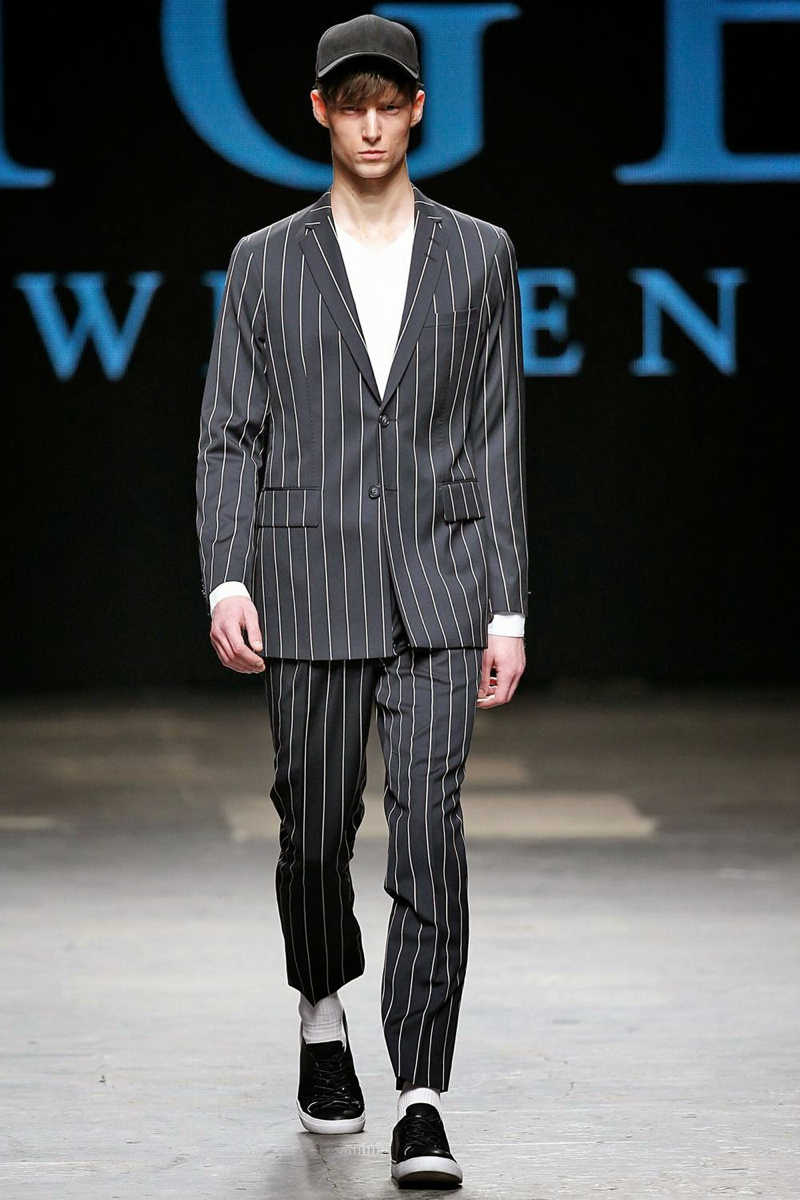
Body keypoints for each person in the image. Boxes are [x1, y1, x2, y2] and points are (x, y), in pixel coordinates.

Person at [195, 12, 528, 1189]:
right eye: (353, 105)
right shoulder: (263, 261)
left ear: (418, 109)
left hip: (439, 585)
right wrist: (227, 572)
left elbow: (494, 434)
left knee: (429, 832)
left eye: (390, 103)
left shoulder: (478, 254)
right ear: (320, 112)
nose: (373, 124)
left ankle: (422, 1098)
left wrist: (506, 606)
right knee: (313, 832)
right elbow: (230, 431)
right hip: (307, 582)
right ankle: (321, 1009)